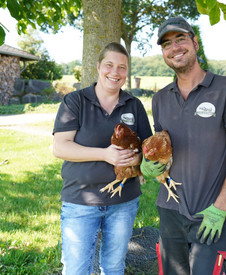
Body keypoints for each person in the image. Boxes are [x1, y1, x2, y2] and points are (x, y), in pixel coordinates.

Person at [141, 17, 226, 274]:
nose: (175, 47)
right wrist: (151, 166)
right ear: (163, 53)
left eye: (180, 39)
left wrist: (221, 208)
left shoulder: (225, 89)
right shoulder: (160, 98)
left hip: (211, 211)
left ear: (195, 43)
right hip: (170, 210)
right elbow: (164, 149)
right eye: (167, 44)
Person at [52, 42, 152, 275]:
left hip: (123, 202)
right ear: (98, 67)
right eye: (109, 65)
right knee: (77, 270)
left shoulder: (134, 105)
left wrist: (138, 161)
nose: (115, 73)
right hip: (81, 200)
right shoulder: (75, 102)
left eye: (122, 67)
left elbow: (146, 150)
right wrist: (105, 154)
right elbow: (60, 147)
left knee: (114, 267)